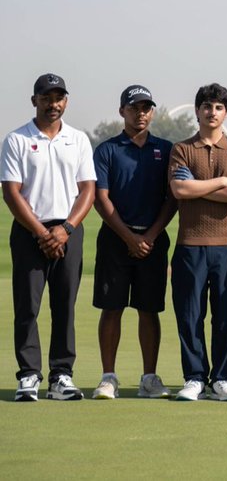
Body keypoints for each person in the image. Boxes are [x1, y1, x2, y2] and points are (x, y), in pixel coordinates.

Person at [3, 73, 96, 402]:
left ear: (66, 102)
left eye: (59, 98)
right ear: (35, 101)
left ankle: (61, 375)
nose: (53, 104)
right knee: (27, 305)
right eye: (46, 98)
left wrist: (66, 229)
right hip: (31, 230)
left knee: (64, 306)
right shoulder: (16, 140)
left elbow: (88, 189)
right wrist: (43, 232)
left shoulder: (78, 139)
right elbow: (12, 193)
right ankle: (29, 374)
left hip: (68, 230)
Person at [167, 83, 227, 401]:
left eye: (218, 107)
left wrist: (198, 186)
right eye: (206, 106)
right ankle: (194, 377)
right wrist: (220, 182)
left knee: (226, 315)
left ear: (225, 112)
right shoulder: (181, 149)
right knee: (190, 315)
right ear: (197, 111)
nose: (212, 112)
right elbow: (179, 191)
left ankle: (221, 377)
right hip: (190, 244)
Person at [90, 85, 177, 400]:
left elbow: (173, 197)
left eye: (146, 108)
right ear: (122, 111)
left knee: (148, 309)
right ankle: (108, 377)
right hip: (116, 239)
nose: (140, 113)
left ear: (152, 112)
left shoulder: (166, 149)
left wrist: (150, 236)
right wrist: (129, 236)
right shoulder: (107, 149)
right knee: (111, 308)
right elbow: (101, 198)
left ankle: (149, 378)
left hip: (153, 240)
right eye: (134, 108)